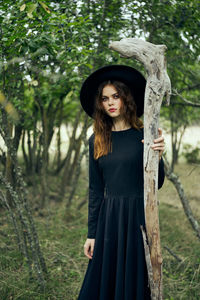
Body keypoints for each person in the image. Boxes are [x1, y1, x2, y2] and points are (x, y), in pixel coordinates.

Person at [77, 65, 165, 300]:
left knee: (135, 281)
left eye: (116, 96)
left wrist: (158, 154)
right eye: (105, 98)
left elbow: (157, 183)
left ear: (126, 98)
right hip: (110, 218)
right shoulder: (96, 139)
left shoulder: (144, 135)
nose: (110, 103)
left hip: (138, 218)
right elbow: (95, 189)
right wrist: (92, 234)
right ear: (100, 104)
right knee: (104, 283)